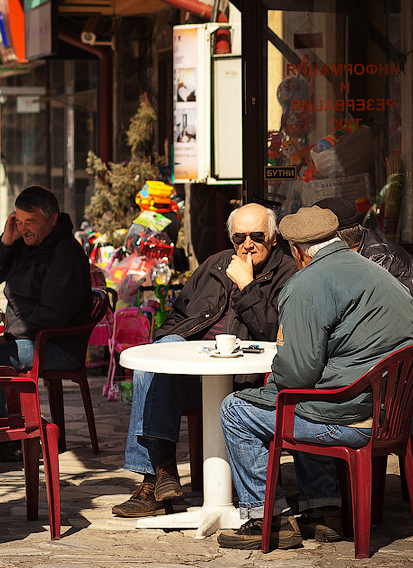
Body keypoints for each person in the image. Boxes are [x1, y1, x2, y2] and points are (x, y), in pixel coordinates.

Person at [218, 205, 413, 550]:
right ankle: (322, 511)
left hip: (351, 420)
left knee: (237, 410)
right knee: (311, 396)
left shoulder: (306, 283)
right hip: (392, 417)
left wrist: (272, 383)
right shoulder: (378, 272)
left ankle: (264, 520)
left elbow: (297, 372)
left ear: (297, 252)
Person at [112, 203, 298, 518]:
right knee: (154, 362)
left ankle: (153, 480)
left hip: (244, 378)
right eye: (240, 237)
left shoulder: (289, 273)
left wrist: (247, 286)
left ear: (274, 238)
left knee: (154, 370)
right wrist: (166, 342)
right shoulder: (214, 264)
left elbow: (275, 332)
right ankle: (161, 473)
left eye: (256, 236)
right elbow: (179, 314)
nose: (247, 244)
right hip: (195, 368)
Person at [314, 197, 413, 416]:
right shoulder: (353, 255)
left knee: (316, 405)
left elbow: (380, 338)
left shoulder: (381, 266)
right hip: (390, 372)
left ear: (331, 239)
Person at [0, 185, 91, 373]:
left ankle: (8, 405)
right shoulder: (25, 244)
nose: (23, 229)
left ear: (53, 219)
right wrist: (5, 243)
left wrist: (10, 337)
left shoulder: (66, 253)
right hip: (25, 337)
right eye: (19, 222)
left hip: (57, 345)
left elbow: (53, 313)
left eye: (30, 222)